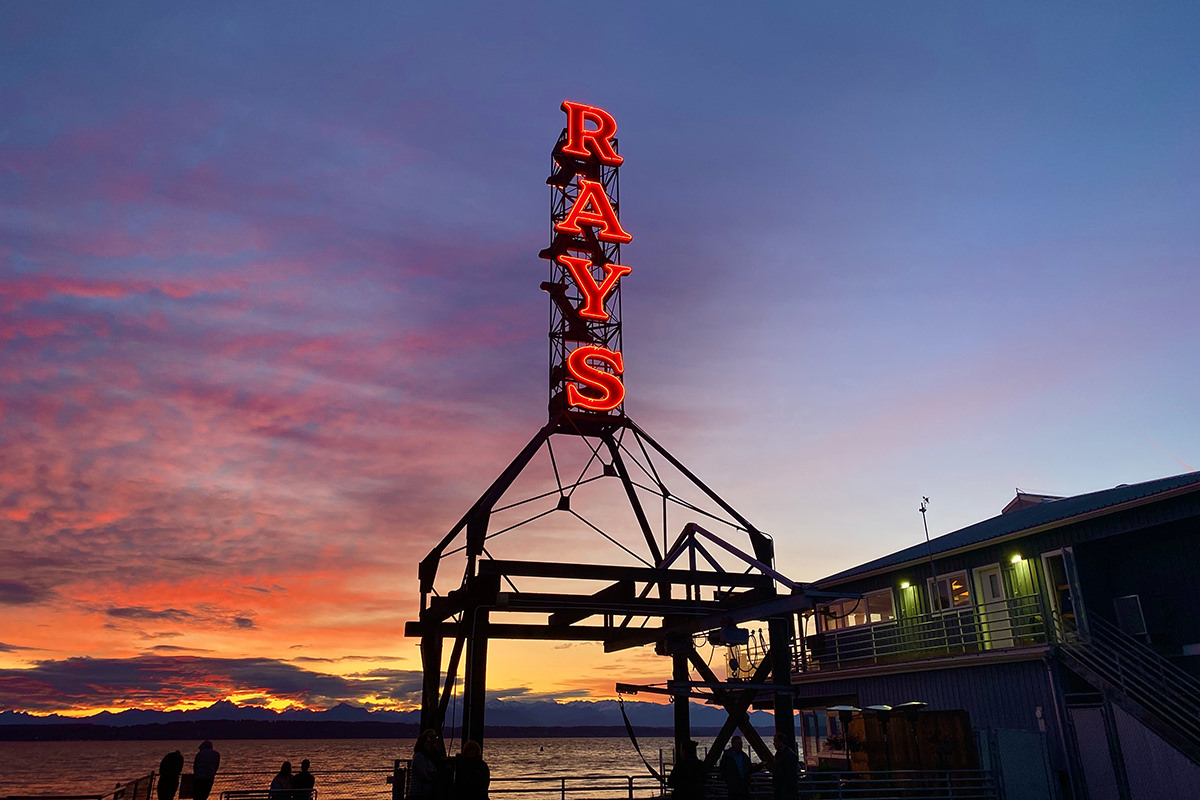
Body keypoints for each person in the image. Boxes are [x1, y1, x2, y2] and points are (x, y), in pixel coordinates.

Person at [410, 729, 446, 800]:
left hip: (431, 791)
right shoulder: (420, 756)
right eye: (431, 737)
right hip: (419, 793)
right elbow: (425, 774)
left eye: (435, 737)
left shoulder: (434, 755)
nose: (433, 740)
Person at [718, 736, 758, 800]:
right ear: (733, 744)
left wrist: (759, 766)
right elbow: (723, 770)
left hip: (744, 787)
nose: (741, 745)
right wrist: (729, 781)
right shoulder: (727, 757)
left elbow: (749, 769)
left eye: (741, 743)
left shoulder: (744, 756)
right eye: (739, 743)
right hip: (733, 787)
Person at [771, 734, 799, 800]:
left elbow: (789, 774)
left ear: (781, 742)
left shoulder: (788, 755)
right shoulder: (781, 754)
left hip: (786, 789)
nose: (774, 744)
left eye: (775, 741)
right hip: (782, 789)